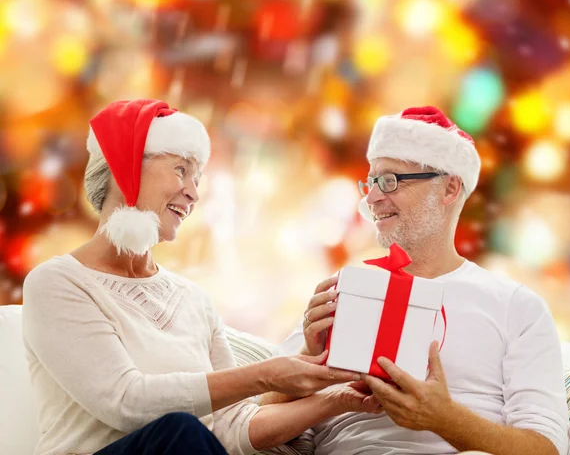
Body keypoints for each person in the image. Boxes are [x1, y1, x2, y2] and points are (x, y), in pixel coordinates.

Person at [22, 99, 381, 455]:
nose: (193, 193)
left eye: (197, 178)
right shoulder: (57, 283)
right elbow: (126, 403)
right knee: (180, 429)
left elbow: (230, 428)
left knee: (189, 434)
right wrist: (266, 375)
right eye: (181, 169)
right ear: (126, 166)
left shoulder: (194, 299)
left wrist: (340, 400)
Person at [278, 106, 569, 455]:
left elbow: (546, 449)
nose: (370, 198)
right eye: (370, 183)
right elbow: (252, 414)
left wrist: (443, 418)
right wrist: (308, 355)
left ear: (449, 188)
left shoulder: (516, 306)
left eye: (389, 181)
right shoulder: (345, 289)